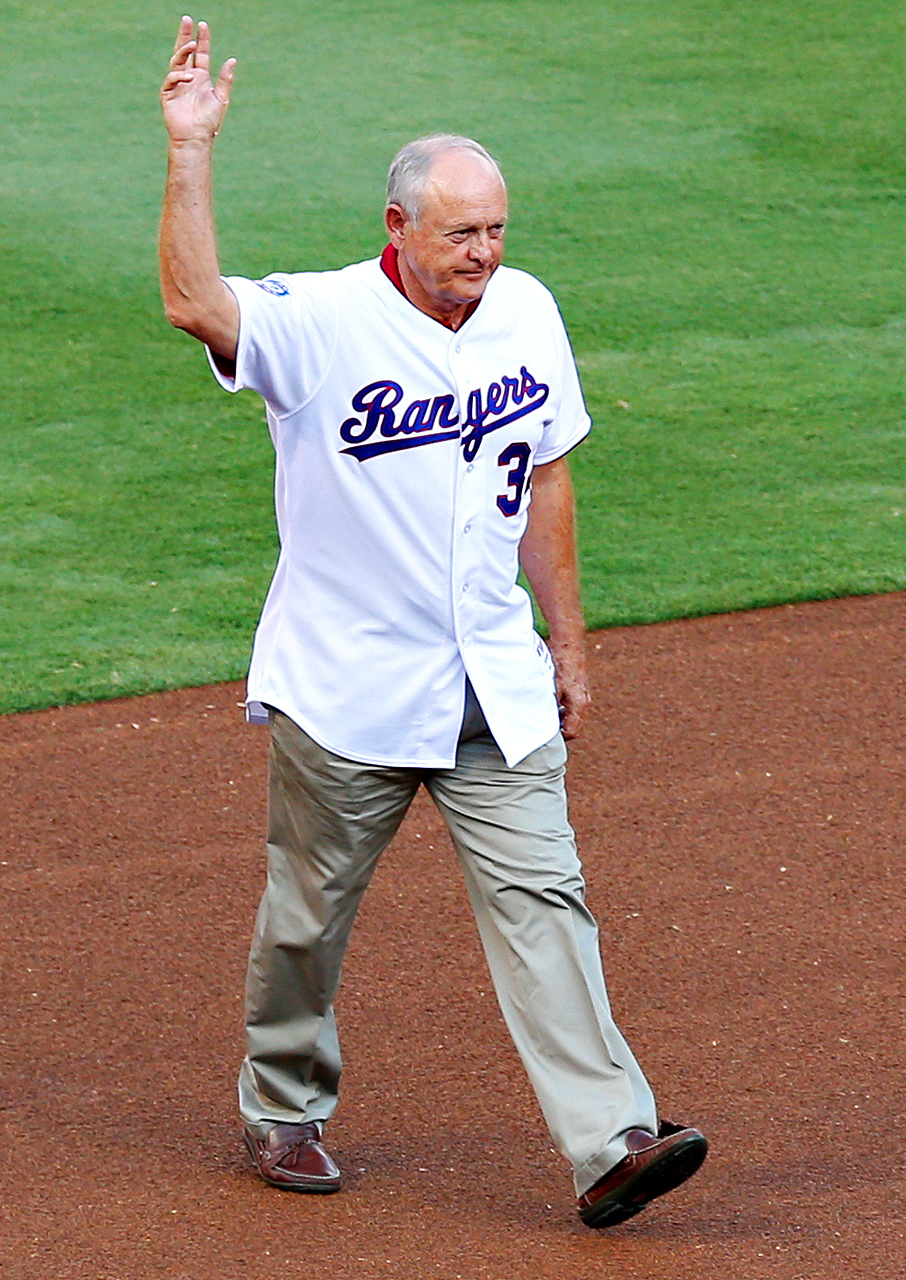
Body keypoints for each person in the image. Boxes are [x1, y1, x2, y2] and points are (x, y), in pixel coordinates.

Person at [159, 16, 707, 1229]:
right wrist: (190, 153)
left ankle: (610, 1138)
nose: (484, 249)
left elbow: (548, 472)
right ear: (396, 228)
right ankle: (282, 1102)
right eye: (460, 230)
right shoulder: (321, 321)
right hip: (346, 688)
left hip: (490, 684)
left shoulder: (526, 310)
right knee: (307, 914)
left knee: (546, 901)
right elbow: (195, 301)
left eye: (497, 227)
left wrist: (567, 638)